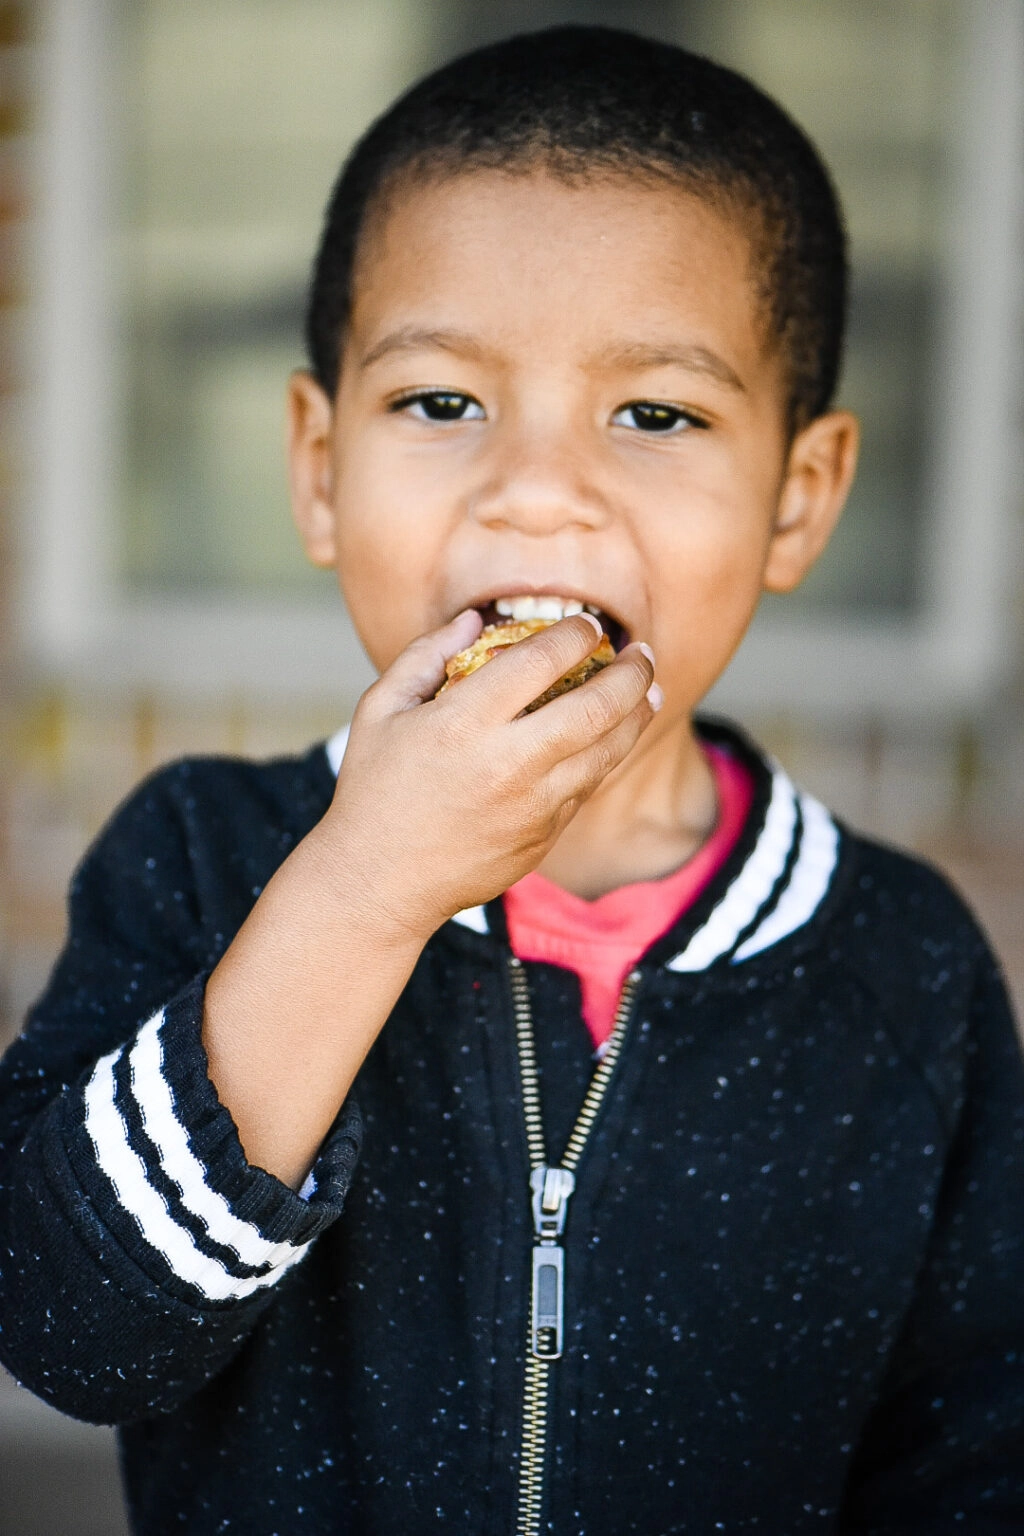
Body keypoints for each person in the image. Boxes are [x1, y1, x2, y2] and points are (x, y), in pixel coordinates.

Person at [1, 25, 1022, 1535]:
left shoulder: (904, 965)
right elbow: (70, 1329)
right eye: (441, 404)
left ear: (798, 501)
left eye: (656, 415)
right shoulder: (208, 858)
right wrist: (365, 885)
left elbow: (969, 1460)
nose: (538, 491)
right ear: (319, 467)